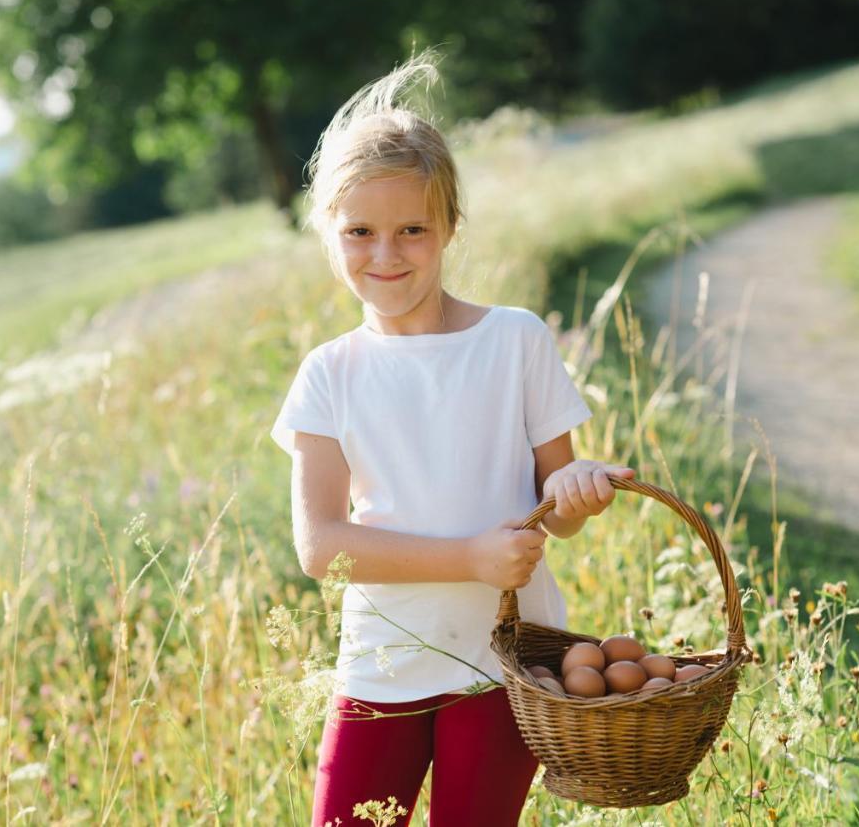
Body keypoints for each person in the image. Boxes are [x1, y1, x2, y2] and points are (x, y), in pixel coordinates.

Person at [269, 48, 634, 827]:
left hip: (501, 664)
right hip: (382, 665)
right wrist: (468, 555)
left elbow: (555, 510)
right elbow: (320, 546)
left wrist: (575, 495)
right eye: (360, 231)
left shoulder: (515, 340)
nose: (386, 254)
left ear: (450, 227)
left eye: (412, 229)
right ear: (326, 232)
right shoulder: (328, 374)